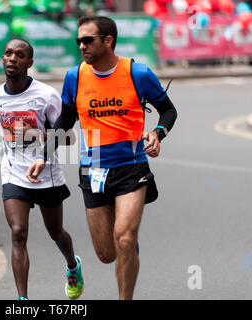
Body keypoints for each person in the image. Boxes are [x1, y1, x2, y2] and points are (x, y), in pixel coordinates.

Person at [27, 16, 178, 300]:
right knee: (107, 253)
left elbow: (169, 111)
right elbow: (65, 120)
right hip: (92, 170)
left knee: (124, 237)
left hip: (132, 168)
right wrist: (44, 157)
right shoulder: (75, 76)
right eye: (79, 41)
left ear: (108, 41)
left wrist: (158, 132)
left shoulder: (138, 74)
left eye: (88, 40)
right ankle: (127, 248)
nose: (82, 45)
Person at [0, 38, 84, 300]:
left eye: (19, 55)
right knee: (18, 232)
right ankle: (23, 300)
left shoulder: (46, 95)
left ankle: (72, 264)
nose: (12, 58)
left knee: (55, 232)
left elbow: (67, 136)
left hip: (47, 174)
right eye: (8, 53)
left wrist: (39, 134)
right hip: (13, 173)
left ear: (29, 63)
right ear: (2, 59)